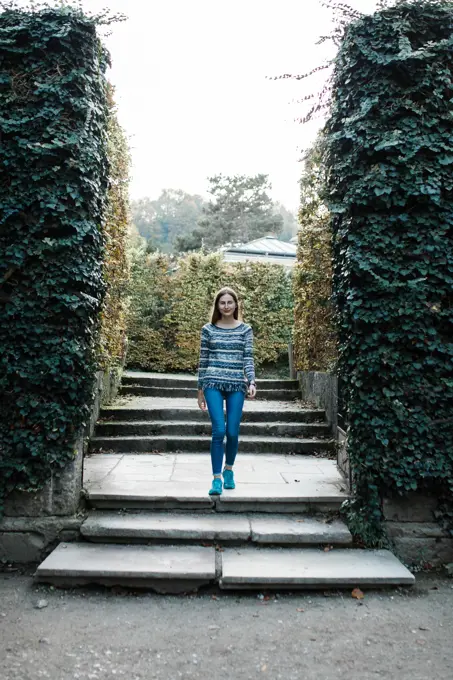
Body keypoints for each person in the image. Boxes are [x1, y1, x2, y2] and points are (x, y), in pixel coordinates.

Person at [197, 286, 257, 496]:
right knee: (218, 431)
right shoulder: (208, 329)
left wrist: (251, 381)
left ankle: (229, 470)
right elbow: (203, 361)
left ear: (235, 304)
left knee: (232, 431)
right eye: (222, 303)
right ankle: (216, 479)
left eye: (229, 302)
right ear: (217, 306)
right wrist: (200, 389)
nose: (226, 306)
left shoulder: (245, 330)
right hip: (212, 381)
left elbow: (248, 358)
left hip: (236, 384)